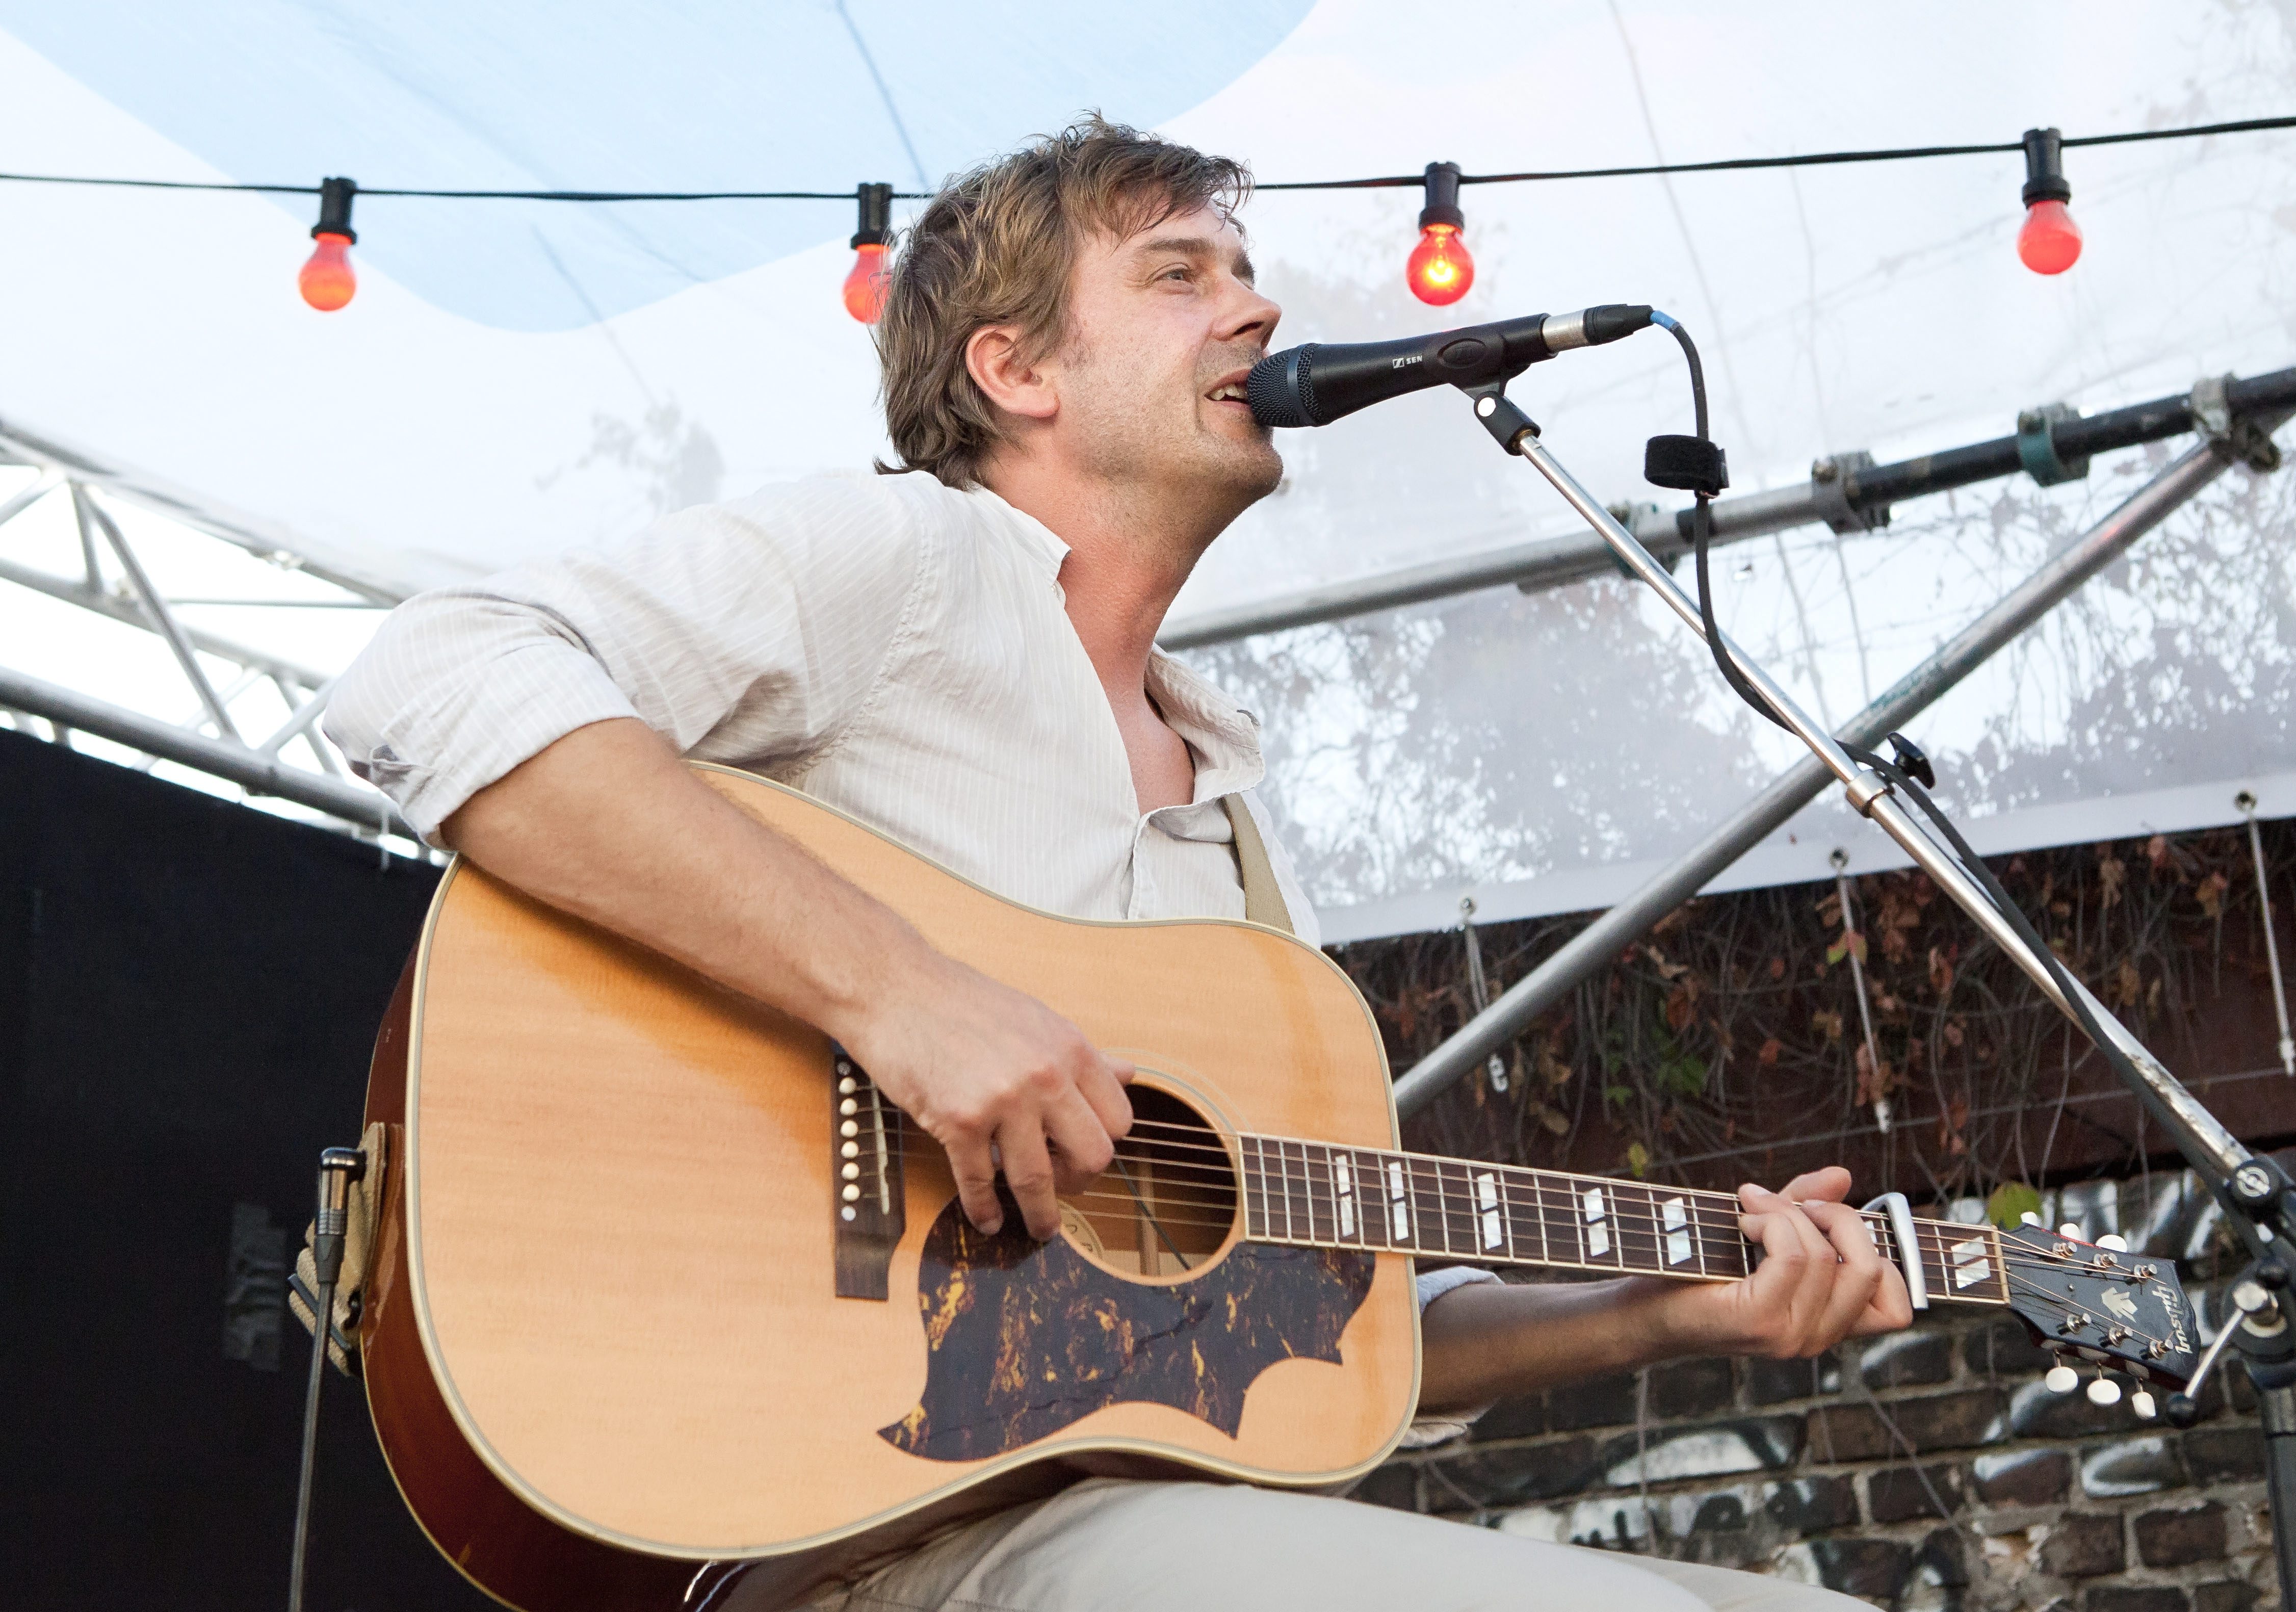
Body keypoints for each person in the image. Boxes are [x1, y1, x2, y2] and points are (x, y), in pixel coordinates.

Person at [326, 116, 1912, 1612]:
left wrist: (1672, 1304)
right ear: (1013, 369)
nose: (1258, 301)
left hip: (1137, 1523)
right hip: (881, 1543)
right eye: (1181, 273)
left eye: (1243, 268)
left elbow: (1327, 1323)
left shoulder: (1234, 833)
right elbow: (437, 675)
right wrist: (907, 998)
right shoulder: (908, 562)